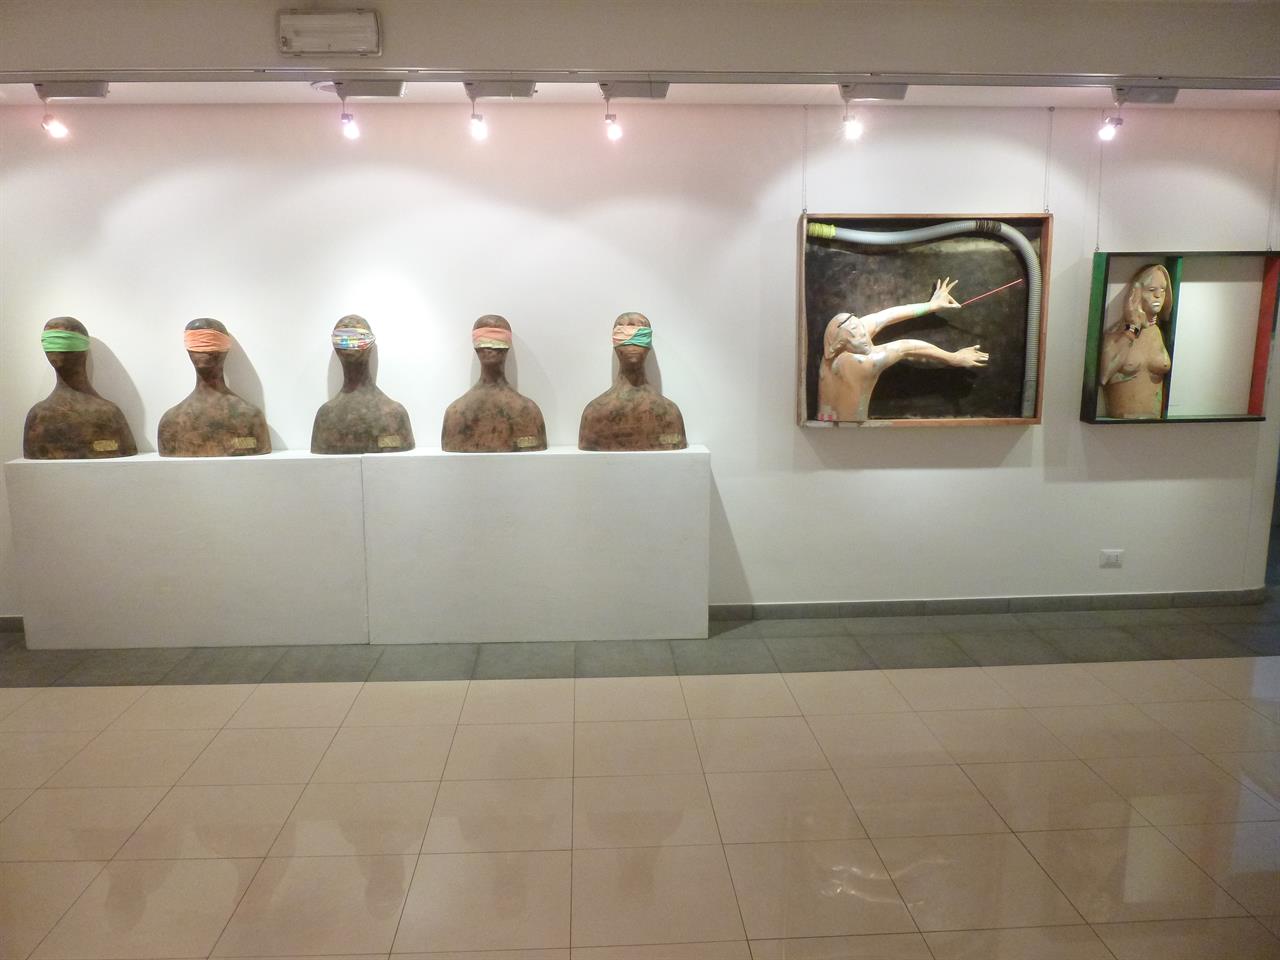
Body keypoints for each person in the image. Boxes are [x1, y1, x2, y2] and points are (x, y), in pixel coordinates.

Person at [816, 278, 988, 422]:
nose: (864, 336)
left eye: (861, 329)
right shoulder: (860, 363)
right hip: (848, 430)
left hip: (826, 419)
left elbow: (885, 316)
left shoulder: (837, 344)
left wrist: (931, 306)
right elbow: (906, 347)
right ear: (840, 344)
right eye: (857, 336)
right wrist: (953, 358)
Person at [23, 316, 137, 459]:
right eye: (52, 341)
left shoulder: (109, 414)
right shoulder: (37, 417)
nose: (57, 348)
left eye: (62, 340)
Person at [158, 318, 270, 456]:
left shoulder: (251, 417)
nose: (204, 352)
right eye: (197, 343)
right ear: (188, 350)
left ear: (225, 349)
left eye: (210, 342)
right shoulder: (171, 422)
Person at [579, 312, 687, 451]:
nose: (632, 343)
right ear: (615, 343)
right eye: (623, 330)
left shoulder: (671, 415)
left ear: (648, 343)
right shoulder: (593, 415)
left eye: (640, 331)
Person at [442, 315, 546, 452]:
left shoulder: (529, 413)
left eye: (497, 341)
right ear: (476, 347)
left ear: (507, 346)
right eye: (483, 342)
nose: (490, 348)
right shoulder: (454, 416)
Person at [312, 315, 414, 453]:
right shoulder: (395, 414)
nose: (350, 343)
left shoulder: (325, 417)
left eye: (356, 337)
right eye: (343, 339)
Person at [1098, 263, 1173, 419]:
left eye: (1163, 290)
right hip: (1121, 421)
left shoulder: (1159, 334)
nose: (1158, 296)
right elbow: (1104, 376)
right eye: (1151, 290)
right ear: (1137, 292)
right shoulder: (1115, 335)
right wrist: (1133, 328)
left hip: (1155, 424)